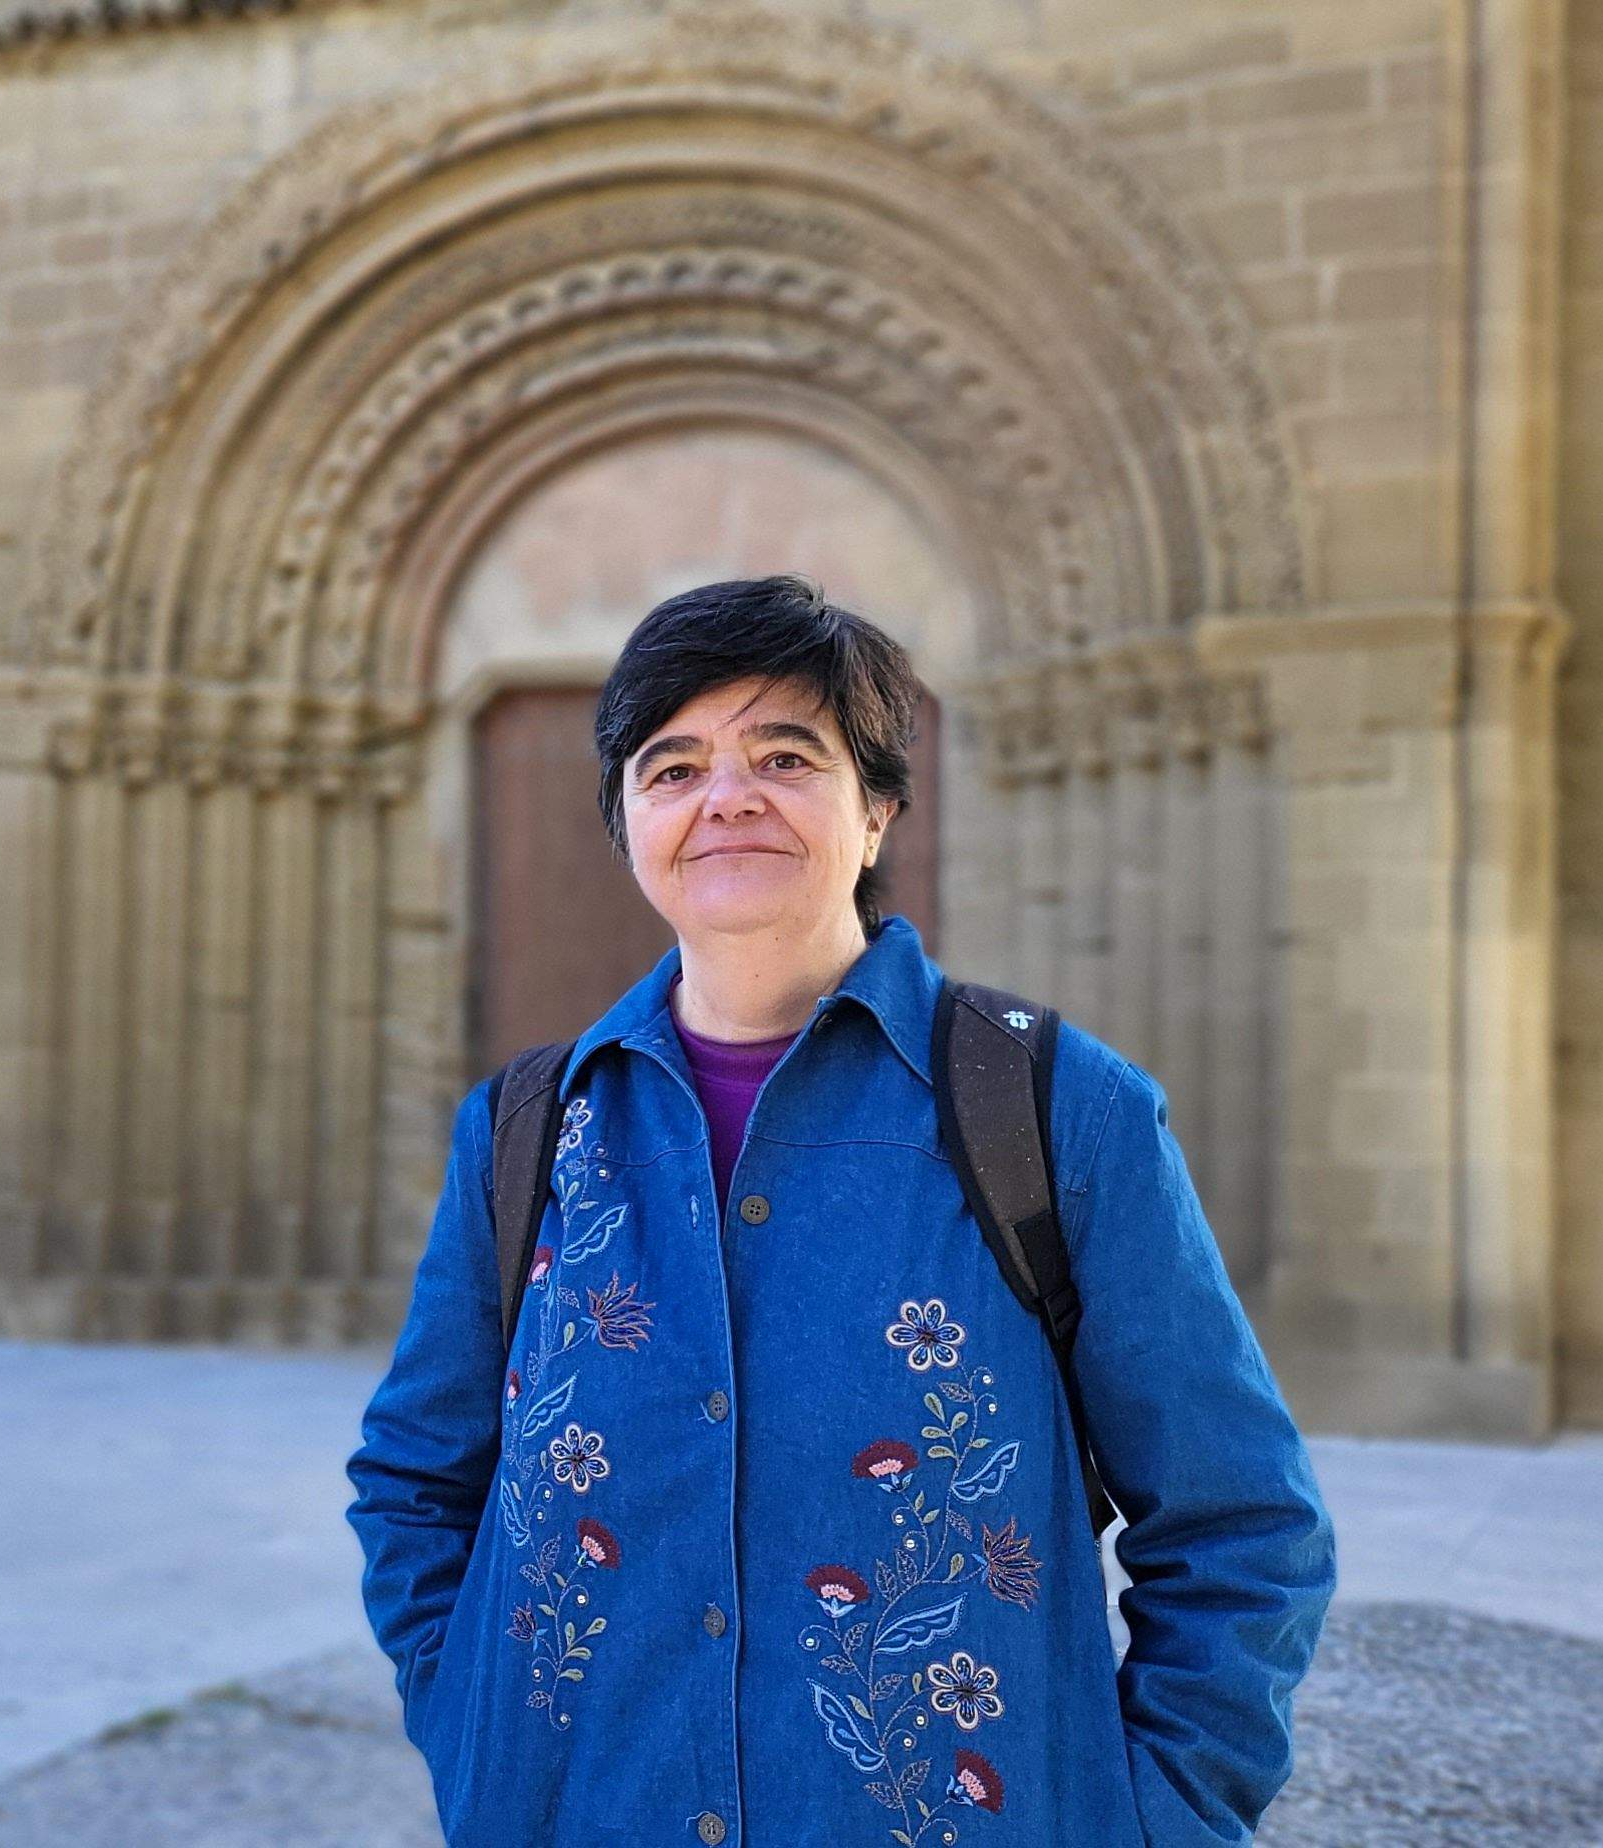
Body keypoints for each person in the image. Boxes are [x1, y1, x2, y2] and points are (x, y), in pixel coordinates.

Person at [346, 576, 1333, 1845]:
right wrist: (475, 1736)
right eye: (673, 765)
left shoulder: (1049, 1109)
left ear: (876, 810)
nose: (727, 796)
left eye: (784, 754)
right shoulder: (529, 1132)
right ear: (627, 825)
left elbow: (1239, 1522)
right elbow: (415, 1484)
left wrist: (1162, 1817)